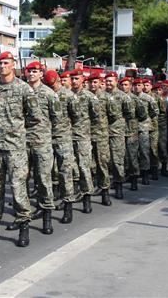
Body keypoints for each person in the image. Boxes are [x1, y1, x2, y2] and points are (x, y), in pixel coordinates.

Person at [0, 52, 41, 247]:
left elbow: (35, 116)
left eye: (6, 63)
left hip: (16, 149)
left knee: (18, 188)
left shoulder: (23, 89)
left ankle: (23, 227)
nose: (2, 66)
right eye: (0, 63)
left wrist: (18, 131)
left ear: (13, 65)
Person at [25, 61, 59, 234]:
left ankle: (47, 216)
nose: (31, 74)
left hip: (42, 143)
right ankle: (23, 217)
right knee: (21, 182)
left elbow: (57, 118)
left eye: (35, 71)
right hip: (22, 142)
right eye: (29, 71)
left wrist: (46, 135)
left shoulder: (49, 94)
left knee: (44, 180)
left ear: (41, 74)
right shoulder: (21, 91)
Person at [44, 70, 76, 223]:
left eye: (54, 84)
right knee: (46, 174)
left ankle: (68, 206)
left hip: (63, 138)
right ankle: (46, 207)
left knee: (65, 173)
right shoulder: (44, 94)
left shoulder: (69, 95)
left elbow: (76, 116)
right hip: (47, 138)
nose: (53, 87)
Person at [70, 69, 99, 213]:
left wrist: (86, 130)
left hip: (83, 137)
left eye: (77, 78)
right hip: (68, 137)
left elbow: (96, 117)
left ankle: (87, 197)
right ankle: (72, 196)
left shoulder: (89, 97)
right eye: (72, 79)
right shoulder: (66, 95)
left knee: (83, 167)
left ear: (83, 80)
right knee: (70, 169)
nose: (74, 81)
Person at [104, 72, 131, 199]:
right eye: (107, 81)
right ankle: (104, 186)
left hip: (117, 133)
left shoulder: (123, 96)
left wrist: (119, 123)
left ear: (116, 81)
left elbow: (129, 113)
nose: (109, 83)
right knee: (103, 161)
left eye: (111, 81)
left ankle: (119, 185)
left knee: (117, 160)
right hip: (102, 133)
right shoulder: (100, 95)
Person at [87, 74, 111, 206]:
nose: (93, 85)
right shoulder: (84, 96)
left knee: (103, 164)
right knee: (89, 165)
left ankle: (105, 191)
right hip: (87, 135)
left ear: (100, 83)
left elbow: (113, 116)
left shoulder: (106, 97)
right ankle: (90, 190)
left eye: (95, 82)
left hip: (101, 135)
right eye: (90, 82)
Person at [120, 77, 141, 191]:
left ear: (130, 86)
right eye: (122, 85)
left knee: (132, 156)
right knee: (121, 157)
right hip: (119, 131)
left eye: (126, 85)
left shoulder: (135, 99)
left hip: (131, 131)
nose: (124, 87)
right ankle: (123, 176)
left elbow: (142, 114)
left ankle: (134, 178)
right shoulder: (117, 97)